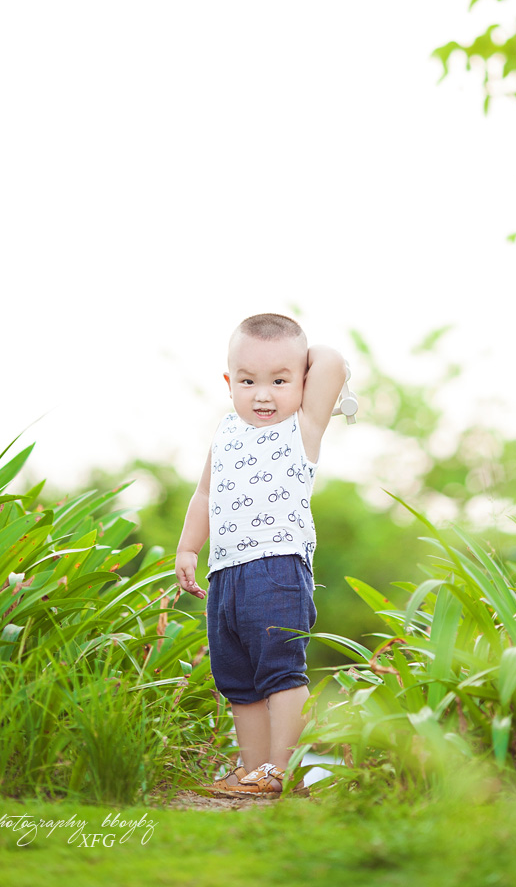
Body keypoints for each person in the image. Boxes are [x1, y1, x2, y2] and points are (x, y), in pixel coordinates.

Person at [175, 312, 347, 796]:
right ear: (230, 383)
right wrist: (189, 546)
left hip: (277, 568)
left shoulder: (302, 427)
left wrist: (298, 356)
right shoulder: (226, 431)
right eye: (248, 381)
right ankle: (252, 772)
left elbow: (331, 360)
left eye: (280, 380)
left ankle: (280, 768)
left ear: (302, 382)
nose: (263, 394)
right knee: (237, 677)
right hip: (225, 573)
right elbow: (205, 495)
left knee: (279, 670)